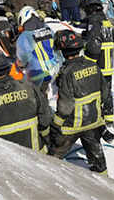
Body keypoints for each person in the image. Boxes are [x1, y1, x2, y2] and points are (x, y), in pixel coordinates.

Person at [48, 29, 109, 175]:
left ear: (63, 52)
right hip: (93, 122)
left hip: (72, 126)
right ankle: (106, 184)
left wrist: (55, 125)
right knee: (98, 159)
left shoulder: (67, 72)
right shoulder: (93, 66)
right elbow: (105, 93)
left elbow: (66, 106)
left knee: (53, 157)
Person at [0, 47, 52, 153]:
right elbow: (45, 119)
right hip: (38, 157)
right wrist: (46, 140)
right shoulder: (28, 88)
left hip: (7, 163)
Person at [80, 0, 114, 126]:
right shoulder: (106, 21)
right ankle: (109, 119)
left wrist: (86, 64)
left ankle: (97, 119)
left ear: (89, 8)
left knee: (95, 93)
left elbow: (94, 46)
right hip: (108, 64)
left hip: (98, 64)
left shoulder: (94, 22)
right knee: (107, 92)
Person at [15, 6, 61, 96]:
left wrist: (19, 63)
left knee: (37, 98)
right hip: (53, 69)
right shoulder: (48, 28)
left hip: (37, 73)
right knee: (44, 94)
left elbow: (23, 59)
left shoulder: (25, 36)